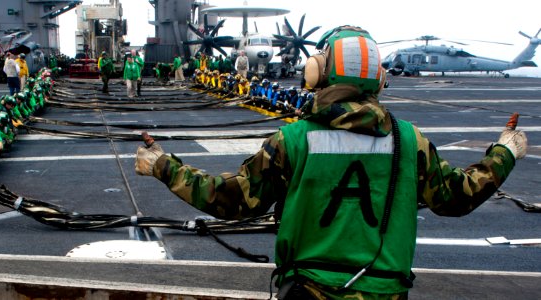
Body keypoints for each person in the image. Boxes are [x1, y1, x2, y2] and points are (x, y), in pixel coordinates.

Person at [134, 25, 527, 299]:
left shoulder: (293, 140)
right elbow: (456, 197)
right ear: (380, 78)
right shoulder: (409, 140)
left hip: (310, 292)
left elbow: (231, 201)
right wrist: (504, 151)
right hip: (385, 294)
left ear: (317, 73)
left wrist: (162, 165)